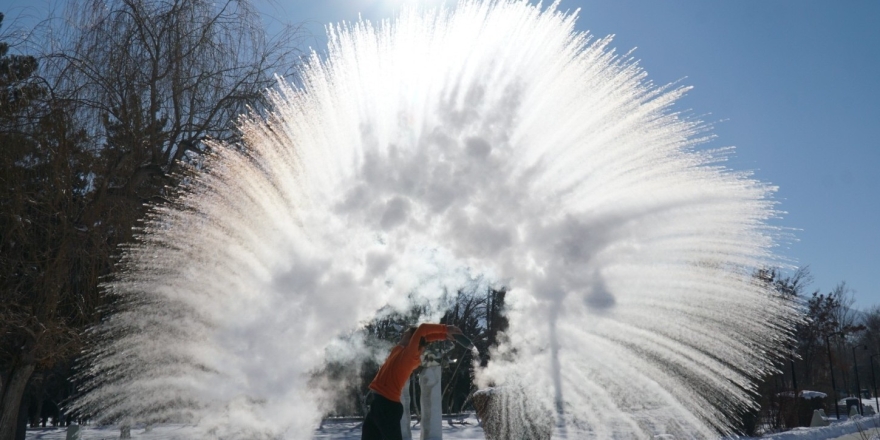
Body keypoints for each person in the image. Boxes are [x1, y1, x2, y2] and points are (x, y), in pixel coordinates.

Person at [361, 323, 463, 440]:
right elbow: (425, 338)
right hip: (378, 404)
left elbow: (423, 329)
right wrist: (443, 335)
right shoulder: (400, 350)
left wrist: (446, 329)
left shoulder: (409, 355)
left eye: (406, 333)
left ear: (411, 338)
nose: (402, 334)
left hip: (387, 406)